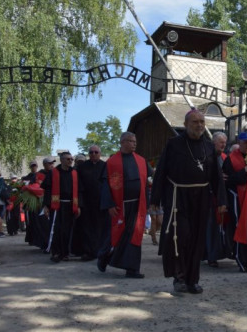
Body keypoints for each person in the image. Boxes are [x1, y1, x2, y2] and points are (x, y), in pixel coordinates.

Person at [150, 109, 227, 294]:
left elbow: (216, 176)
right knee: (180, 237)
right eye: (195, 122)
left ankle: (193, 280)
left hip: (202, 198)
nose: (199, 125)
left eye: (202, 121)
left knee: (197, 239)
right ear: (186, 124)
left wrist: (221, 200)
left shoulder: (209, 147)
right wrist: (156, 198)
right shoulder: (174, 144)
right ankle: (180, 278)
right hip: (178, 197)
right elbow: (161, 171)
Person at [97, 133, 151, 278]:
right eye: (131, 141)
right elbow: (106, 185)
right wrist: (109, 204)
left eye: (135, 141)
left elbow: (146, 183)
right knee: (117, 235)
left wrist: (148, 202)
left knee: (135, 234)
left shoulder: (141, 160)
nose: (134, 144)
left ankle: (132, 269)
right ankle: (104, 256)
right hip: (120, 206)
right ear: (122, 142)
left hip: (138, 205)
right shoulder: (113, 162)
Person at [223, 131, 247, 273]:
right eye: (245, 142)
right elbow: (228, 180)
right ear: (239, 142)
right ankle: (240, 259)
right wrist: (244, 171)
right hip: (238, 199)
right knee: (241, 228)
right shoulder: (231, 159)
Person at [42, 152, 81, 262]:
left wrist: (79, 206)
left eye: (71, 159)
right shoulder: (53, 173)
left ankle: (65, 253)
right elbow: (48, 190)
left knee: (67, 230)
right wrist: (46, 205)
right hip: (57, 205)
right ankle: (56, 253)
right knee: (56, 229)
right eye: (68, 159)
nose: (70, 161)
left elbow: (79, 191)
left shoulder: (75, 173)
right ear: (62, 160)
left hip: (70, 205)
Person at [204, 131, 233, 267]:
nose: (224, 145)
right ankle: (210, 256)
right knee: (210, 227)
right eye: (221, 142)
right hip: (208, 196)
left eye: (225, 142)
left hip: (220, 197)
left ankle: (216, 254)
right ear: (214, 142)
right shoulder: (206, 156)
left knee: (217, 227)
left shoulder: (224, 157)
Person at [76, 145, 106, 261]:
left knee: (100, 227)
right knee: (87, 227)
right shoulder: (82, 167)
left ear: (100, 153)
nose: (93, 154)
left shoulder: (105, 166)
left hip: (100, 202)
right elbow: (78, 185)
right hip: (86, 202)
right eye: (91, 152)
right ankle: (88, 251)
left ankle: (99, 251)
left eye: (96, 152)